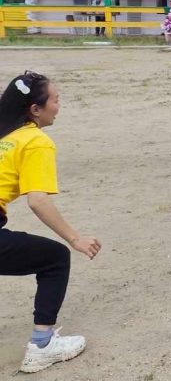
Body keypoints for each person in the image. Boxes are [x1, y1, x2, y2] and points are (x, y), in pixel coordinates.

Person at [0, 71, 102, 373]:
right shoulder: (35, 141)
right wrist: (75, 238)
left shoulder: (4, 135)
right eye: (55, 100)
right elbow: (38, 200)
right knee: (55, 258)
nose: (59, 106)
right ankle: (42, 345)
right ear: (35, 109)